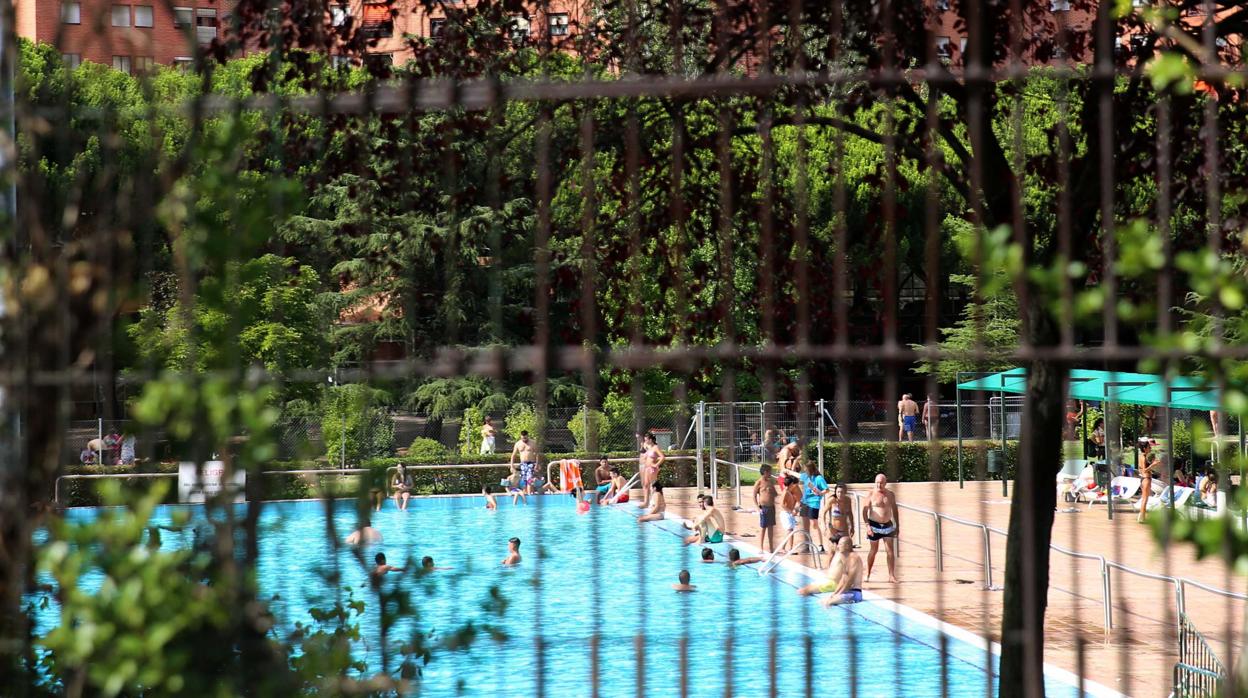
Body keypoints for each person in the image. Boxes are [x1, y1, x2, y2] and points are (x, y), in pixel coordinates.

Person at [862, 473, 900, 583]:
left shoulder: (890, 495)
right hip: (874, 525)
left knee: (890, 551)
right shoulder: (871, 494)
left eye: (881, 483)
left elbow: (895, 510)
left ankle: (891, 576)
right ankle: (868, 573)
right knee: (874, 550)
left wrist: (897, 525)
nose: (879, 485)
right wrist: (867, 526)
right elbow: (864, 512)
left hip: (888, 525)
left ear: (885, 483)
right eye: (877, 482)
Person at [785, 461, 827, 553]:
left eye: (806, 469)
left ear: (811, 469)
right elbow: (797, 475)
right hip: (805, 503)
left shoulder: (819, 478)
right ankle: (807, 545)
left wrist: (820, 493)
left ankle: (821, 545)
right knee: (804, 524)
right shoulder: (806, 477)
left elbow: (826, 490)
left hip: (814, 503)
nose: (805, 471)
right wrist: (787, 471)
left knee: (814, 525)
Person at [820, 537, 865, 606]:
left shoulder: (853, 558)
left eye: (840, 544)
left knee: (829, 602)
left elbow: (850, 581)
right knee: (824, 600)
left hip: (855, 593)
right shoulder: (846, 558)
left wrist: (839, 594)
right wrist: (834, 594)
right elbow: (843, 579)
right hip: (847, 592)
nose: (838, 546)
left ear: (847, 546)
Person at [753, 464, 779, 552]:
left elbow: (775, 494)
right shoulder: (759, 482)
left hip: (771, 507)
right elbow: (753, 496)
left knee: (771, 527)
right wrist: (758, 508)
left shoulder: (770, 482)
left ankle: (771, 547)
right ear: (765, 472)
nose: (771, 474)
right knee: (763, 527)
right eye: (769, 472)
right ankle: (761, 547)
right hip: (763, 508)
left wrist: (772, 491)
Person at [638, 432, 666, 510]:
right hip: (647, 468)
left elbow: (662, 457)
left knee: (655, 486)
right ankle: (646, 502)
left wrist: (656, 465)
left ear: (650, 440)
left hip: (652, 469)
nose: (645, 441)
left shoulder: (655, 447)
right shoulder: (649, 448)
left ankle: (660, 503)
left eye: (646, 440)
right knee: (646, 485)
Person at [1137, 438, 1158, 523]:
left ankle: (1141, 516)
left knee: (1145, 498)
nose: (1150, 448)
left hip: (1144, 478)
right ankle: (1142, 517)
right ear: (1145, 448)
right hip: (1146, 478)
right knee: (1145, 499)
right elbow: (1144, 470)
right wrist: (1153, 464)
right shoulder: (1143, 457)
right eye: (1149, 447)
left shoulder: (1143, 456)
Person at [780, 475, 802, 551]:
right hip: (785, 513)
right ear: (792, 484)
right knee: (790, 531)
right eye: (795, 484)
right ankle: (787, 548)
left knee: (790, 531)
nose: (796, 486)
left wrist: (796, 509)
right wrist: (791, 511)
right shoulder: (785, 492)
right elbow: (782, 504)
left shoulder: (789, 492)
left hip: (789, 514)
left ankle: (789, 548)